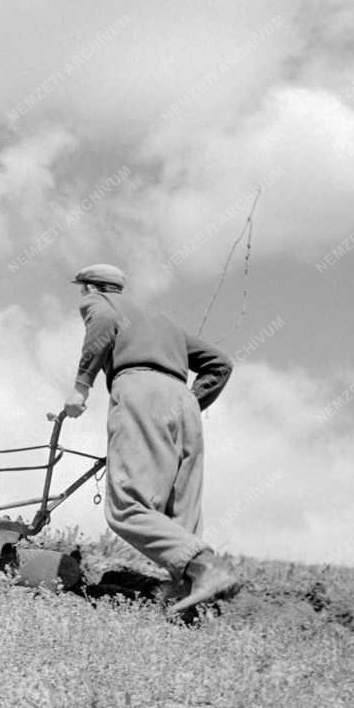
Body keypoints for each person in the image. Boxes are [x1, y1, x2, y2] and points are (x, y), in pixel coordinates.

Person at [61, 263, 239, 615]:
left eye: (82, 290)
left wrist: (81, 387)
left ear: (91, 288)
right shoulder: (164, 321)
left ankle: (207, 569)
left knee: (128, 507)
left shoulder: (100, 304)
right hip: (184, 405)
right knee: (180, 517)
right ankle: (188, 599)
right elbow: (221, 364)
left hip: (141, 391)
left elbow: (102, 324)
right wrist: (187, 404)